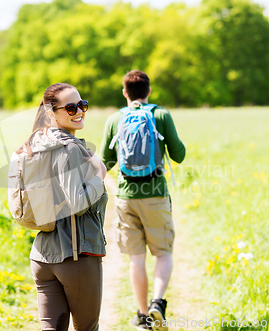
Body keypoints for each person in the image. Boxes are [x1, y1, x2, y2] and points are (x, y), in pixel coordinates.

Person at [17, 83, 108, 331]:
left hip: (42, 256)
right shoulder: (68, 149)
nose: (79, 111)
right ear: (51, 113)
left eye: (82, 104)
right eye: (70, 107)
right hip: (75, 258)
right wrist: (100, 175)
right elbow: (77, 203)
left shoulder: (32, 147)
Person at [100, 70, 186, 331]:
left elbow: (106, 161)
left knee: (136, 259)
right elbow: (179, 155)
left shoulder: (115, 119)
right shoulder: (160, 114)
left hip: (126, 197)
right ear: (149, 91)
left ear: (125, 92)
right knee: (163, 253)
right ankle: (157, 304)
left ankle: (142, 317)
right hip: (156, 194)